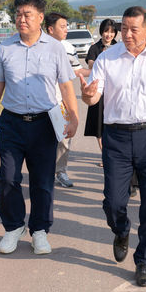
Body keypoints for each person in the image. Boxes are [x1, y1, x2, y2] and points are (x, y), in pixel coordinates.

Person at [80, 6, 146, 287]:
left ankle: (144, 261)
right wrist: (86, 95)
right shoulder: (107, 58)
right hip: (117, 137)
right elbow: (93, 96)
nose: (126, 34)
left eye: (133, 29)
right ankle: (122, 229)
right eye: (123, 28)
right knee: (114, 200)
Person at [0, 0, 78, 256]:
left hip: (44, 124)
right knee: (9, 178)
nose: (21, 19)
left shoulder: (55, 48)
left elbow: (66, 85)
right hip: (12, 123)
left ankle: (39, 230)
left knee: (42, 180)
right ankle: (13, 227)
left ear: (40, 17)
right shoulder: (6, 47)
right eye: (18, 14)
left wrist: (73, 116)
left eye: (27, 15)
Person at [45, 12, 90, 188]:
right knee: (42, 140)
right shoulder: (38, 47)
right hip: (40, 105)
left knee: (63, 138)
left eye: (66, 26)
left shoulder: (68, 48)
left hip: (60, 102)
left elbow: (76, 70)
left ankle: (60, 171)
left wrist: (100, 70)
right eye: (62, 26)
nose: (66, 30)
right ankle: (43, 172)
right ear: (50, 29)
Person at [84, 19, 118, 165]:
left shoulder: (120, 47)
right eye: (106, 31)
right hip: (99, 93)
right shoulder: (95, 48)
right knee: (99, 125)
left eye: (112, 31)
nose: (109, 34)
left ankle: (113, 153)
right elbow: (91, 65)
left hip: (116, 92)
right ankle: (105, 154)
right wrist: (102, 57)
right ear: (101, 32)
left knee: (115, 124)